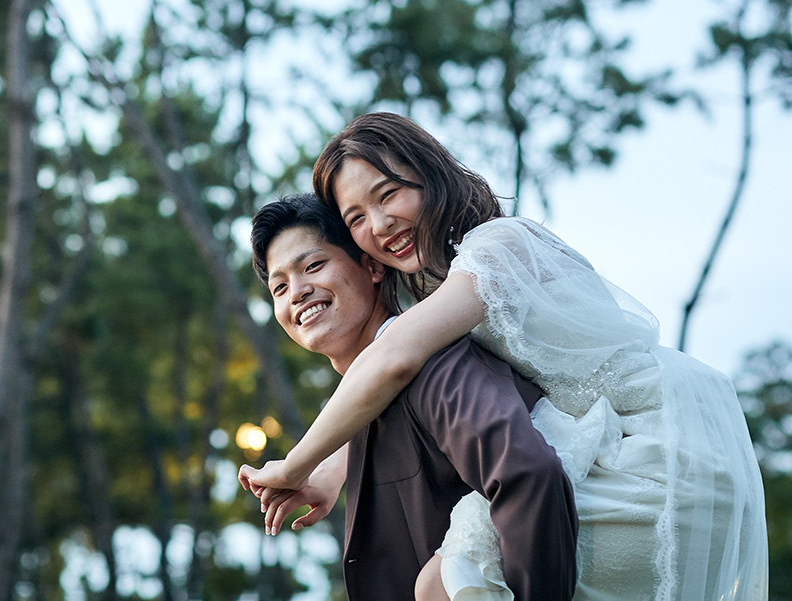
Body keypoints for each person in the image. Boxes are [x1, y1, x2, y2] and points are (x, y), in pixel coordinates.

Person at [239, 112, 768, 601]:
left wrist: (293, 463)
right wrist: (332, 473)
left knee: (444, 582)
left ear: (432, 175)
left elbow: (394, 359)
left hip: (656, 454)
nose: (378, 225)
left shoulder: (498, 248)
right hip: (605, 446)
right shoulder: (439, 287)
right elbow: (391, 379)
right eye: (356, 217)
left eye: (390, 194)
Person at [244, 194, 579, 601]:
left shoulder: (434, 365)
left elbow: (529, 474)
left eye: (312, 266)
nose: (296, 292)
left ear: (371, 266)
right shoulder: (358, 413)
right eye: (279, 287)